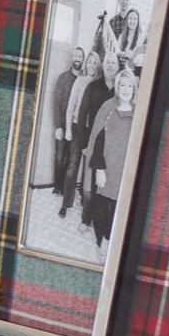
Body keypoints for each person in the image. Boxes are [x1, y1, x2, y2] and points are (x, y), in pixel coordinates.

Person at [85, 65, 137, 252]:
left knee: (118, 211)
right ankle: (101, 241)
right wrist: (99, 169)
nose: (125, 89)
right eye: (122, 85)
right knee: (99, 211)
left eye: (129, 86)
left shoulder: (139, 112)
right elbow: (97, 138)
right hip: (105, 170)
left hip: (125, 172)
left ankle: (108, 240)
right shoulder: (108, 106)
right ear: (117, 86)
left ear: (134, 88)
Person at [61, 52, 111, 225]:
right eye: (88, 61)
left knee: (88, 167)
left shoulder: (100, 84)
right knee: (73, 164)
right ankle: (66, 203)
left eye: (94, 62)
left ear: (98, 65)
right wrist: (68, 128)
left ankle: (84, 198)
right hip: (77, 126)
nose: (90, 64)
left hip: (92, 130)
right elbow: (71, 107)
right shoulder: (80, 81)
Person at [50, 49, 84, 199]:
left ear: (83, 59)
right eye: (75, 56)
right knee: (60, 156)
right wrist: (58, 126)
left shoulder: (84, 78)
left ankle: (65, 187)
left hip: (76, 125)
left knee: (72, 158)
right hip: (63, 124)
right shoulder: (63, 78)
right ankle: (57, 186)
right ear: (71, 58)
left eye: (80, 56)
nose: (77, 58)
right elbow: (56, 103)